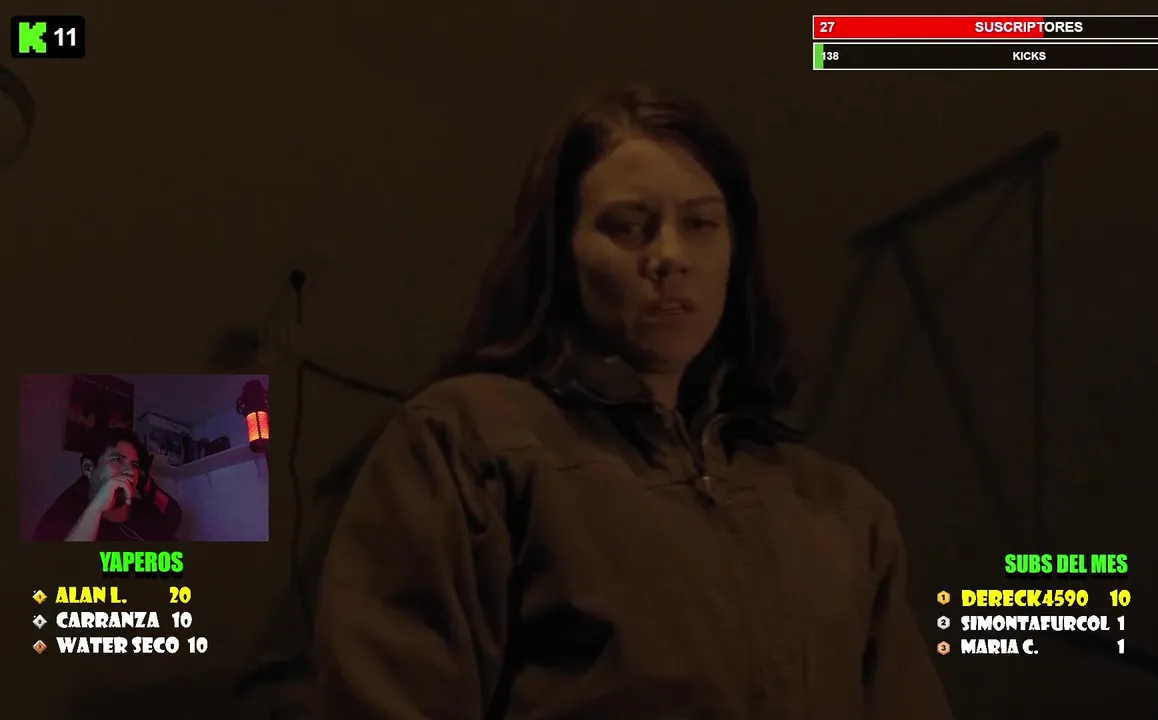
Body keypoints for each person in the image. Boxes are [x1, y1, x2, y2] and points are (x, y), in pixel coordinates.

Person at [314, 85, 952, 718]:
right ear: (561, 251)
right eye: (627, 226)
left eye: (700, 224)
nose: (669, 256)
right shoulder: (468, 444)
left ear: (736, 252)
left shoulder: (842, 513)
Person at [32, 427, 180, 542]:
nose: (130, 472)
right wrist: (96, 508)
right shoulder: (62, 517)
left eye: (135, 465)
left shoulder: (149, 513)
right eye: (117, 460)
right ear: (88, 468)